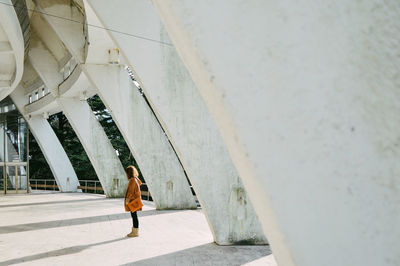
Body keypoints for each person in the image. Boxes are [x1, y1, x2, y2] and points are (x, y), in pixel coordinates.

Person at [124, 165, 143, 237]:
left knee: (134, 216)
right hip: (135, 200)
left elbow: (130, 191)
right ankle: (134, 231)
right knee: (134, 216)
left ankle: (135, 232)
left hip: (133, 201)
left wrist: (127, 200)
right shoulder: (135, 179)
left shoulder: (132, 180)